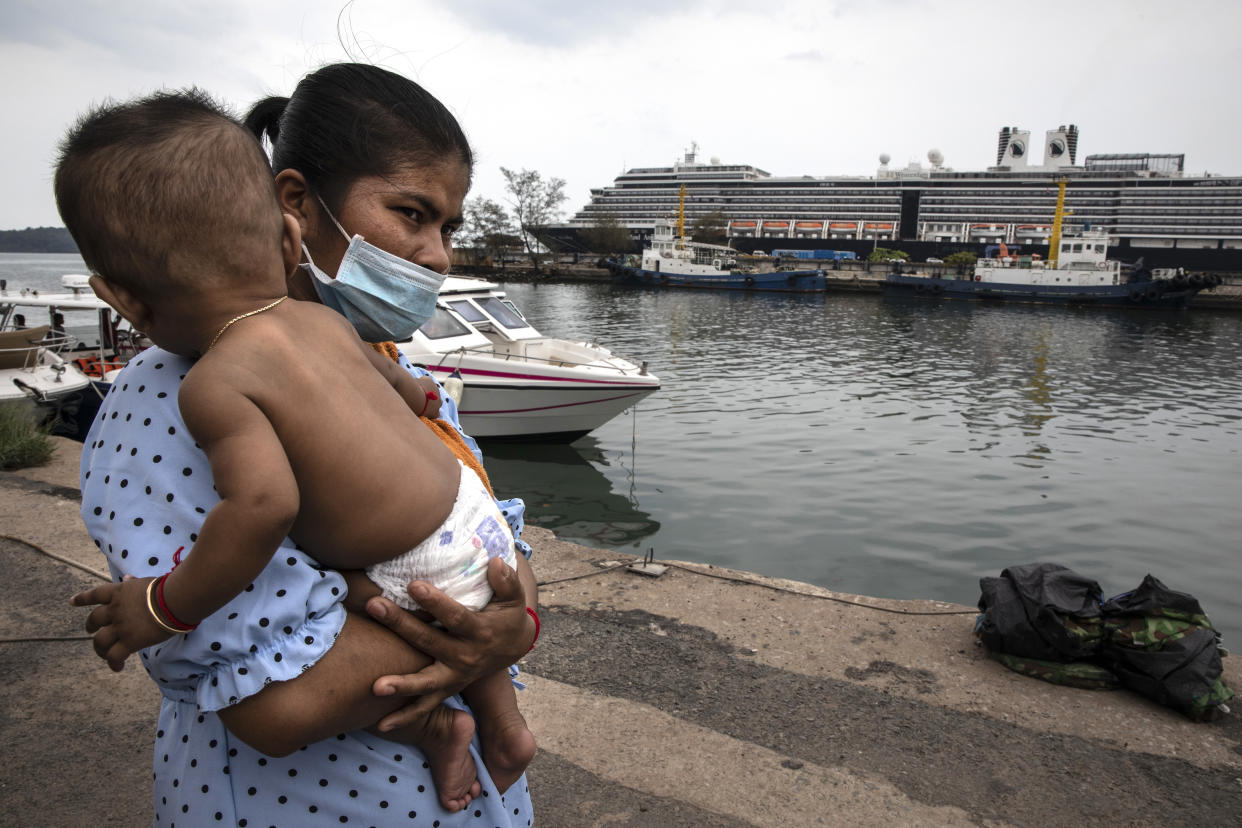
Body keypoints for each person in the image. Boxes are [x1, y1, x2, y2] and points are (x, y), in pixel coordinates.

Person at [67, 64, 537, 826]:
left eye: (448, 227)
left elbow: (498, 543)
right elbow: (277, 703)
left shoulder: (378, 356)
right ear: (293, 210)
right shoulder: (171, 403)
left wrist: (511, 623)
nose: (440, 255)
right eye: (412, 214)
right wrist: (492, 630)